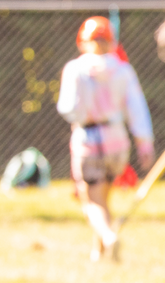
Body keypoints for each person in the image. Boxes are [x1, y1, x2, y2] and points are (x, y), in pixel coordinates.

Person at [57, 15, 155, 261]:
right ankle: (99, 252)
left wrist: (84, 114)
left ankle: (108, 237)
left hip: (88, 141)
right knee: (103, 197)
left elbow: (68, 108)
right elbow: (137, 108)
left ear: (82, 41)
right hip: (117, 141)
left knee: (90, 199)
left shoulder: (76, 69)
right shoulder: (122, 70)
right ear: (112, 42)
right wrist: (145, 143)